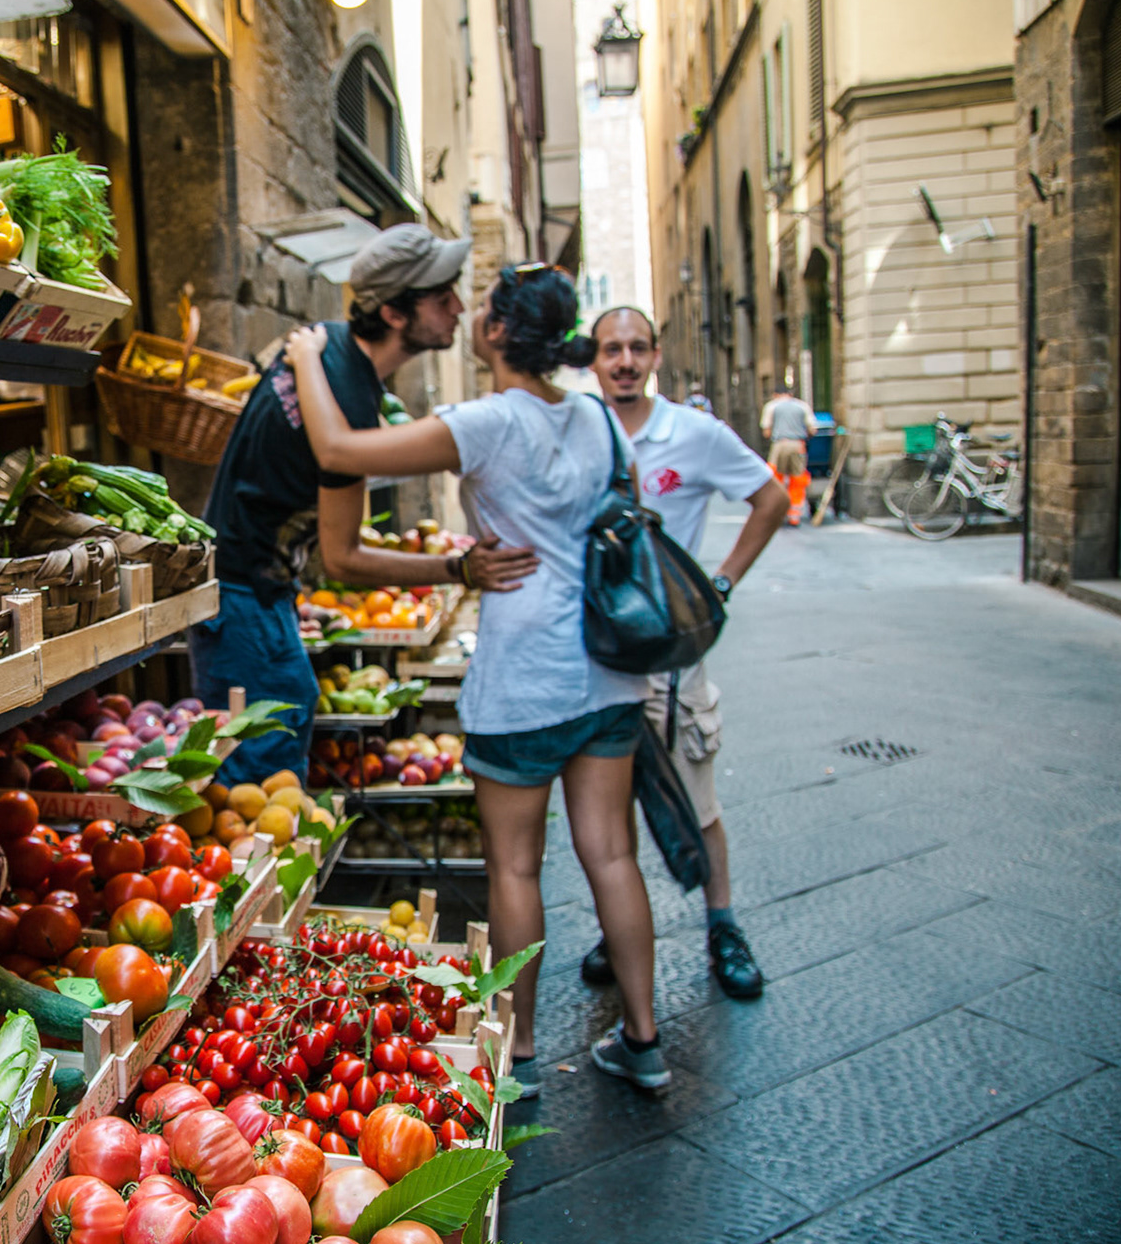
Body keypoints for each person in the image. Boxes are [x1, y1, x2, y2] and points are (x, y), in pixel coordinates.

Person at [285, 264, 669, 1094]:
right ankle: (644, 1041)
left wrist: (308, 357)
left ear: (497, 333)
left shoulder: (487, 422)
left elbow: (337, 450)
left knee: (515, 870)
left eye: (481, 309)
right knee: (612, 855)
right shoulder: (600, 418)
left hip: (523, 679)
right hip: (605, 673)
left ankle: (519, 1052)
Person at [191, 224, 536, 782]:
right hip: (244, 602)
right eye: (441, 296)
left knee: (266, 752)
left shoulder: (325, 348)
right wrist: (459, 569)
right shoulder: (345, 393)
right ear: (395, 313)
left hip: (248, 592)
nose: (456, 307)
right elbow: (344, 558)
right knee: (259, 780)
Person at [583, 306, 788, 999]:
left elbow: (770, 498)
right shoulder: (582, 430)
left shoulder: (694, 433)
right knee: (610, 812)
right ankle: (619, 929)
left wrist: (719, 584)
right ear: (594, 359)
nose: (625, 361)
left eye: (637, 348)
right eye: (612, 349)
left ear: (656, 356)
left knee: (696, 800)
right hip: (599, 660)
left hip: (672, 659)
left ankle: (722, 925)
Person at [761, 385, 818, 526]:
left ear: (775, 395)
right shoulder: (802, 406)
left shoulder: (771, 406)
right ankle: (794, 516)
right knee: (797, 479)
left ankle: (777, 513)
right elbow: (813, 429)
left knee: (775, 479)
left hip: (779, 444)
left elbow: (766, 432)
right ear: (790, 394)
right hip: (797, 444)